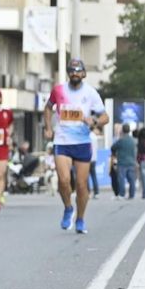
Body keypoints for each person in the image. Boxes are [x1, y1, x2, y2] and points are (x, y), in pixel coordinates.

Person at [43, 57, 110, 233]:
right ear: (68, 73)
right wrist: (48, 128)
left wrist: (94, 120)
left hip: (82, 142)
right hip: (62, 141)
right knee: (64, 181)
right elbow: (48, 108)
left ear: (84, 74)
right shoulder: (58, 90)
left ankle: (80, 219)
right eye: (72, 71)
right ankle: (68, 208)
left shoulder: (91, 93)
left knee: (81, 185)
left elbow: (105, 117)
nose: (75, 74)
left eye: (78, 71)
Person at [111, 124, 138, 201]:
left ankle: (122, 194)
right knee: (131, 180)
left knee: (121, 179)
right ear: (129, 130)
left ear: (122, 130)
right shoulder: (133, 141)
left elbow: (113, 147)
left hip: (122, 162)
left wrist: (114, 154)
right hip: (131, 162)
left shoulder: (121, 140)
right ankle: (132, 194)